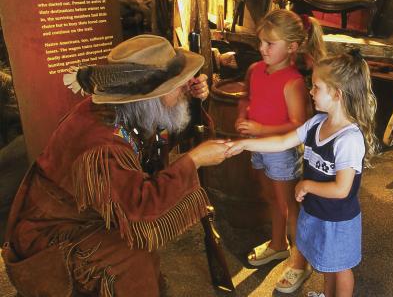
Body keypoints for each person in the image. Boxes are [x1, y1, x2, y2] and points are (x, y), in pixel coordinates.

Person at [1, 35, 233, 296]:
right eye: (177, 84)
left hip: (88, 214)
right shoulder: (102, 144)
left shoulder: (126, 110)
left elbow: (157, 137)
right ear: (148, 97)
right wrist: (194, 160)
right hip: (55, 236)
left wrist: (188, 99)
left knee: (141, 255)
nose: (185, 86)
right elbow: (140, 205)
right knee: (133, 260)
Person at [226, 51, 378, 297]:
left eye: (316, 87)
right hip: (317, 211)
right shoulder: (317, 123)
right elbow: (283, 141)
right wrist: (246, 144)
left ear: (337, 94)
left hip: (338, 220)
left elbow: (342, 189)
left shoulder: (349, 139)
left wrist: (307, 185)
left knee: (341, 269)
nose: (310, 91)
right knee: (329, 266)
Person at [237, 9, 326, 293]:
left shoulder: (294, 82)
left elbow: (298, 124)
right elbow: (246, 98)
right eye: (260, 42)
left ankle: (300, 263)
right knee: (270, 198)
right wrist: (242, 116)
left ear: (292, 47)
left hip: (281, 152)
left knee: (291, 207)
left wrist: (259, 129)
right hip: (259, 148)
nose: (261, 49)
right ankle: (277, 245)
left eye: (269, 44)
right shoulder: (254, 71)